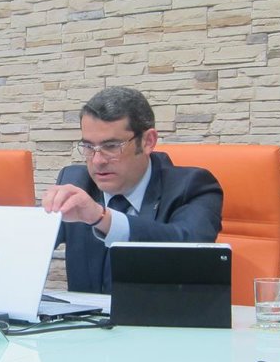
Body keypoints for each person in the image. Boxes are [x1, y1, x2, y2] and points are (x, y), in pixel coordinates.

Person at [42, 87, 224, 293]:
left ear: (148, 142)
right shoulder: (76, 182)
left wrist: (101, 218)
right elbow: (27, 246)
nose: (97, 161)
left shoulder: (192, 186)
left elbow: (191, 251)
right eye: (89, 147)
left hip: (158, 313)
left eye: (111, 146)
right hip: (87, 314)